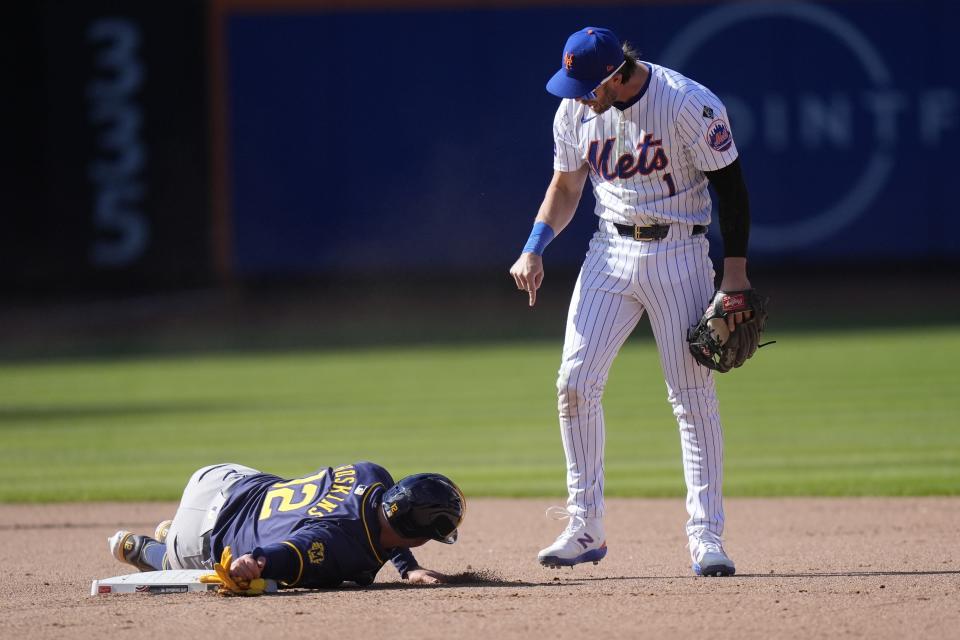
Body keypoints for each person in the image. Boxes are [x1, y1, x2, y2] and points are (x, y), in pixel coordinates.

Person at [509, 27, 755, 577]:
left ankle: (706, 536)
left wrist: (733, 275)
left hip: (680, 254)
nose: (576, 94)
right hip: (608, 251)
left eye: (585, 84)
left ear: (618, 73)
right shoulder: (574, 111)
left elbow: (732, 190)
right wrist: (534, 247)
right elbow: (566, 186)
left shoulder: (687, 104)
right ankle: (584, 525)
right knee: (574, 383)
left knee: (690, 395)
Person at [108, 461, 465, 588]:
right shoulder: (338, 543)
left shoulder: (373, 474)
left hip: (225, 477)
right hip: (202, 537)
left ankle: (171, 534)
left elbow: (385, 523)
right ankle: (148, 549)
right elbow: (294, 553)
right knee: (189, 566)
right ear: (419, 538)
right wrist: (256, 562)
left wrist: (408, 568)